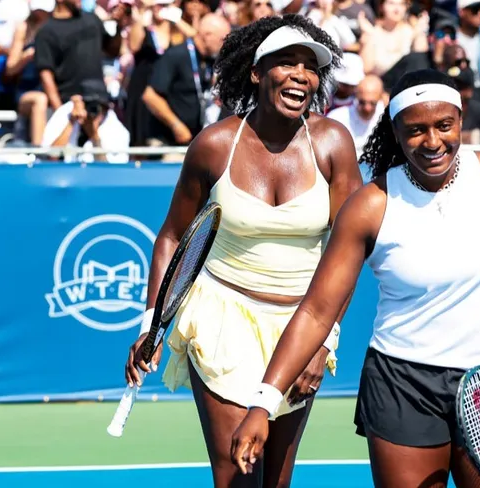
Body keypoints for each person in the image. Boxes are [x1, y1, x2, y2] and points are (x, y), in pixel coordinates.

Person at [230, 69, 480, 488]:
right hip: (402, 387)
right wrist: (263, 403)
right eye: (416, 130)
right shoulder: (370, 205)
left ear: (461, 120)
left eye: (444, 125)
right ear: (395, 132)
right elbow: (316, 312)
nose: (433, 141)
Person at [122, 14, 363, 488]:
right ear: (256, 72)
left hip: (302, 326)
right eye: (286, 62)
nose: (301, 75)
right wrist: (151, 323)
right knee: (237, 474)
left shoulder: (333, 143)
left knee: (276, 480)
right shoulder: (214, 145)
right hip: (221, 320)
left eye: (310, 67)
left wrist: (325, 342)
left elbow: (346, 254)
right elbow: (171, 236)